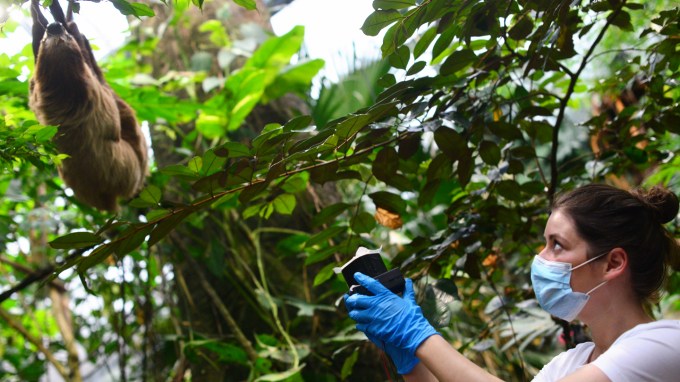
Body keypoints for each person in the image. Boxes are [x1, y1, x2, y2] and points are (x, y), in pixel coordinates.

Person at [344, 184, 680, 381]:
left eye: (557, 245)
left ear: (613, 263)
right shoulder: (570, 364)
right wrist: (411, 359)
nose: (542, 258)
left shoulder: (663, 345)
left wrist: (416, 333)